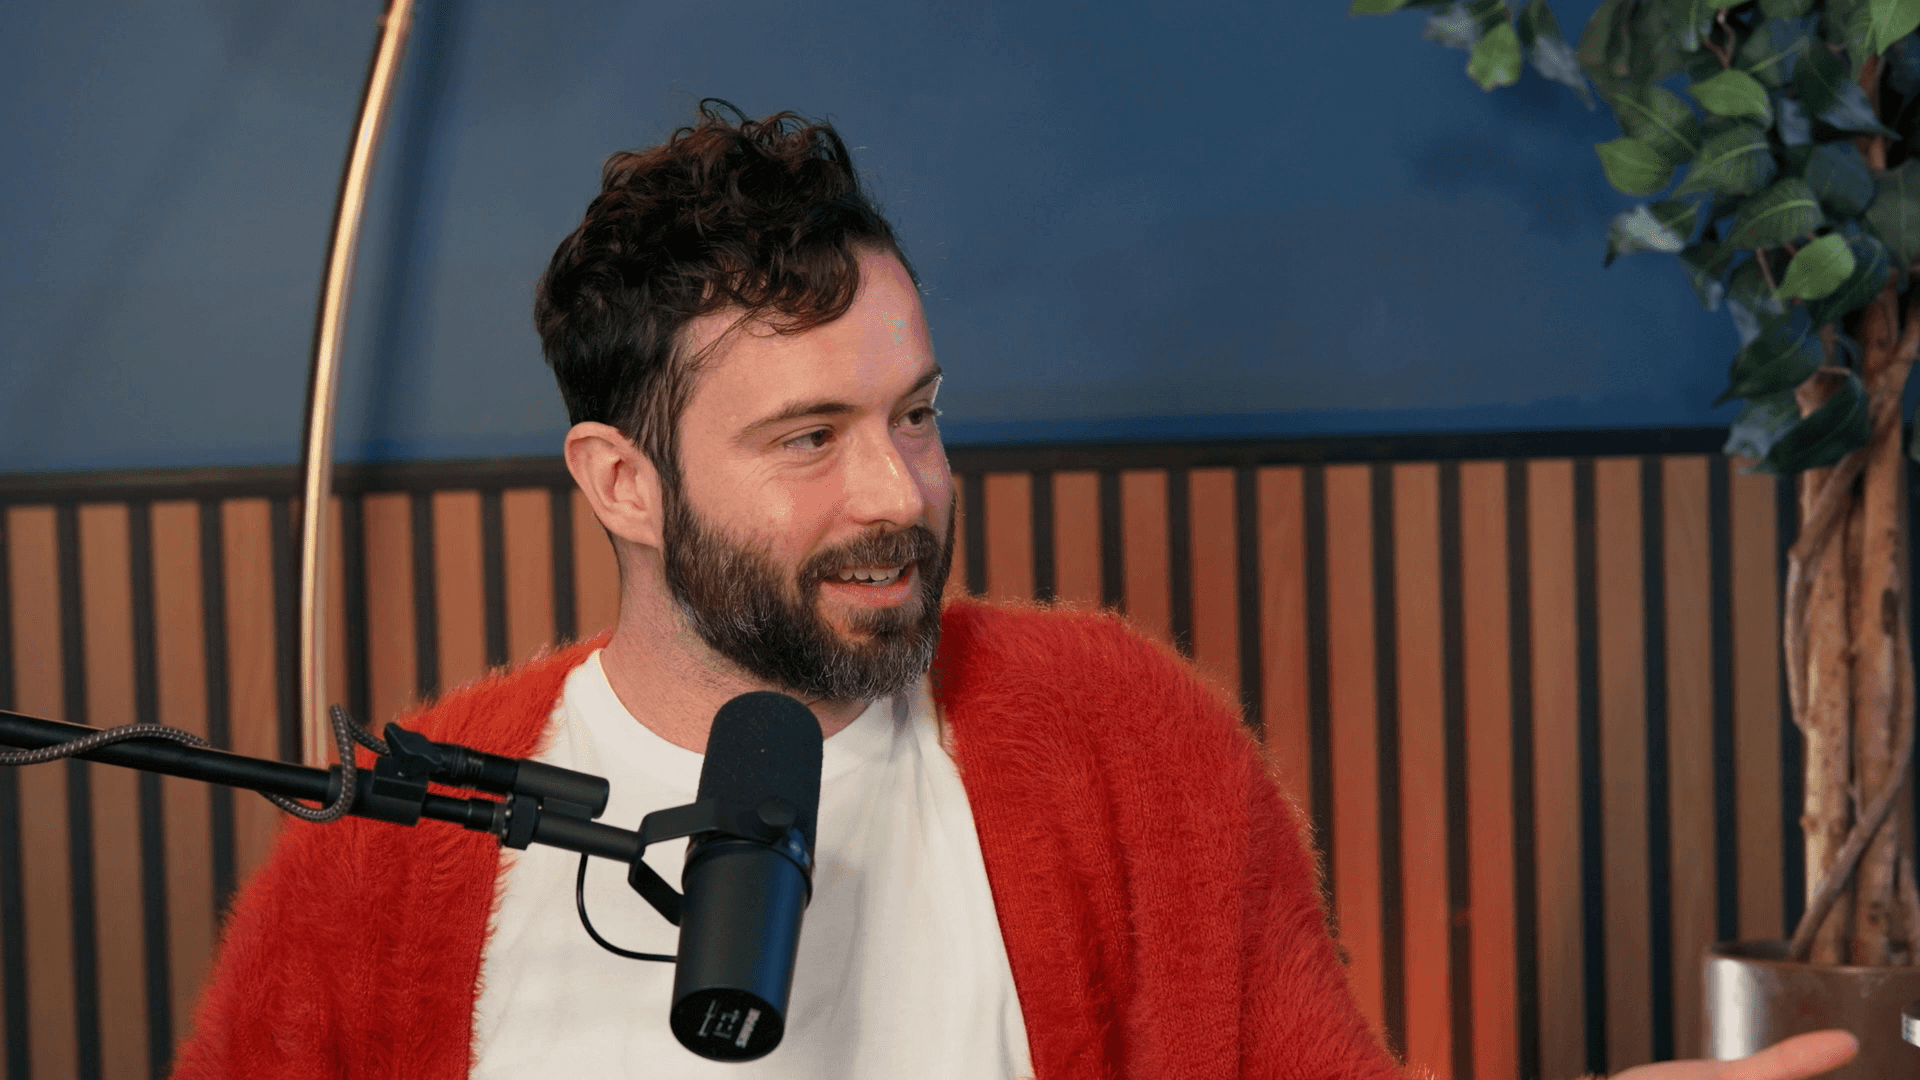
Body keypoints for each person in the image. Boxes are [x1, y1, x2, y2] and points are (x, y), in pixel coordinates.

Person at [172, 103, 1859, 1080]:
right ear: (624, 482)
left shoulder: (1124, 741)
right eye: (809, 437)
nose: (897, 493)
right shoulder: (391, 856)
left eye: (914, 415)